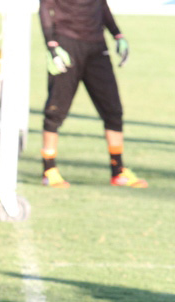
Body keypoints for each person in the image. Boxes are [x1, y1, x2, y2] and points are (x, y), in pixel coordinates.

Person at [39, 0, 147, 188]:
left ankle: (118, 170)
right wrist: (51, 45)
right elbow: (45, 8)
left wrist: (117, 34)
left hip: (97, 47)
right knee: (55, 110)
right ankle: (49, 169)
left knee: (113, 111)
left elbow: (101, 6)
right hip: (66, 44)